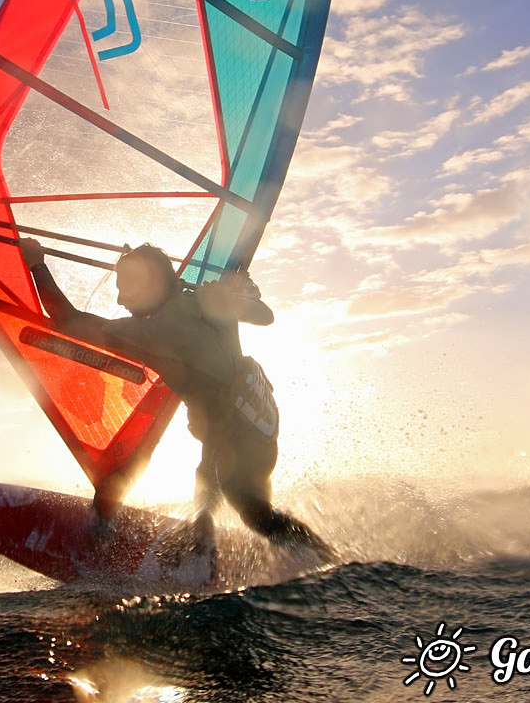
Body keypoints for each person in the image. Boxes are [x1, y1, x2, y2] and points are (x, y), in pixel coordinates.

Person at [19, 237, 335, 563]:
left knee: (233, 501)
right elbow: (264, 315)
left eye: (126, 287)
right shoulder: (202, 298)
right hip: (261, 423)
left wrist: (36, 264)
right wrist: (236, 294)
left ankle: (203, 545)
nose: (120, 298)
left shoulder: (158, 331)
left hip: (234, 433)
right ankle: (317, 558)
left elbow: (69, 321)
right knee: (251, 510)